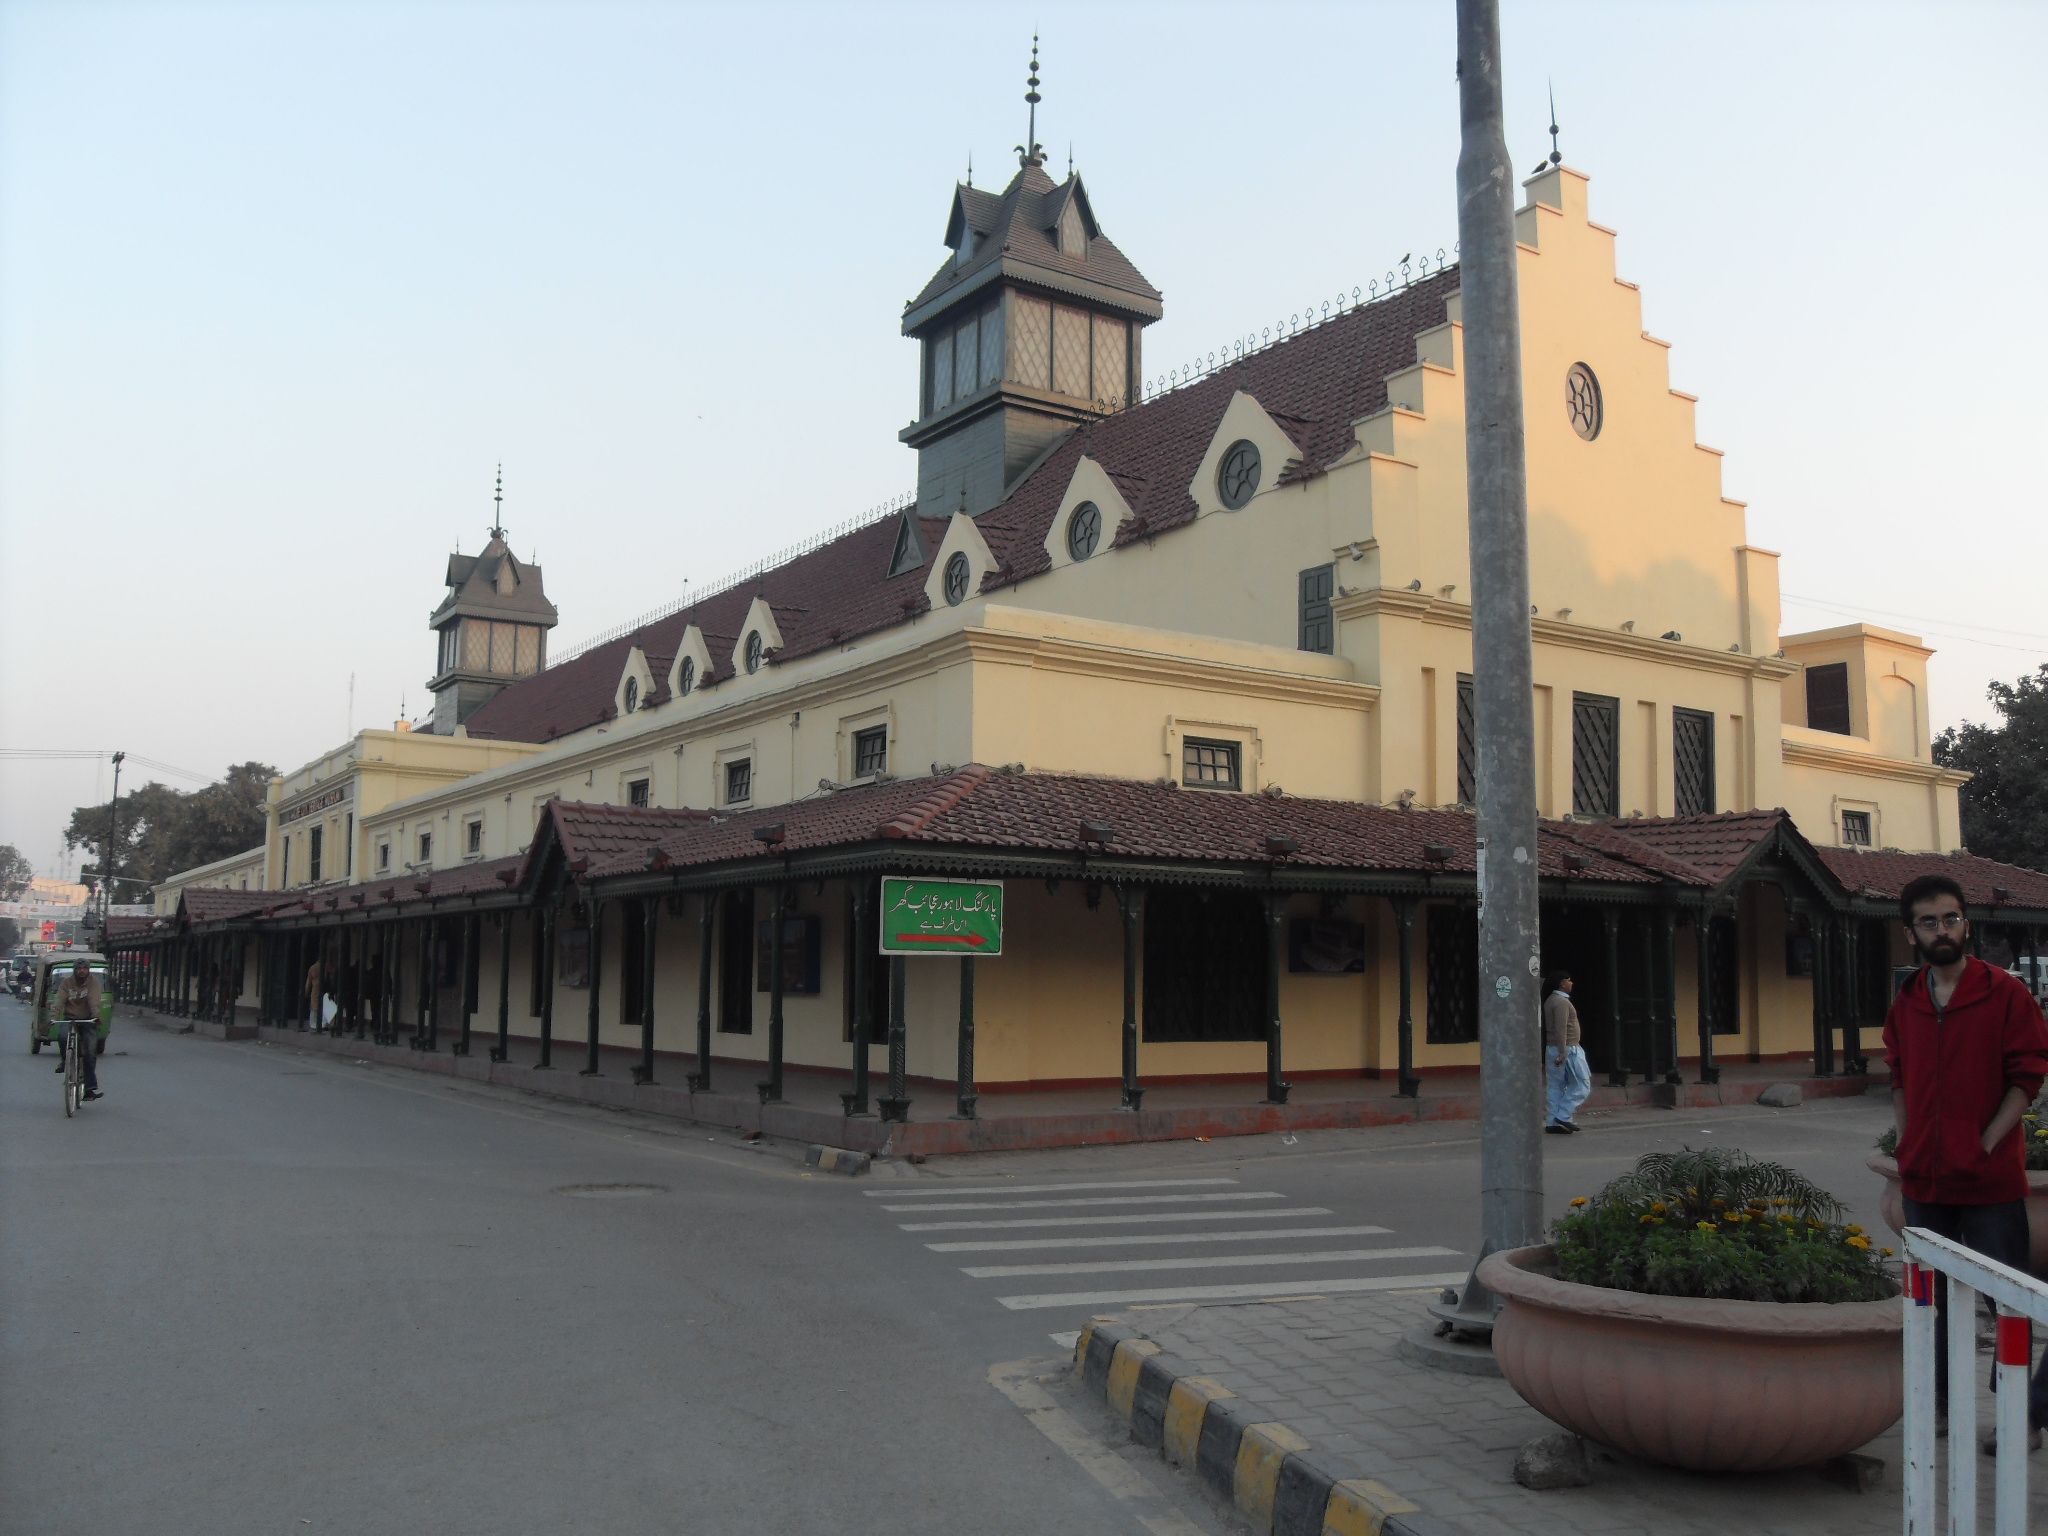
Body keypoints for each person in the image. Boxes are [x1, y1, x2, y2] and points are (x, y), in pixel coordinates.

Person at [1882, 872, 2048, 1455]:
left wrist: (1985, 1144)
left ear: (1966, 924)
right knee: (1932, 1302)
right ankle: (1942, 1408)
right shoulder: (1907, 1000)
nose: (1942, 929)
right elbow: (1899, 1077)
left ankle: (2018, 1418)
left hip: (1990, 1182)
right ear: (1912, 934)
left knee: (2006, 1302)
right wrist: (1906, 1145)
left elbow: (2027, 1076)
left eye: (1951, 918)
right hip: (1926, 1180)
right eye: (1929, 921)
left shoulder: (2004, 993)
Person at [1543, 972, 1591, 1134]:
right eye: (1569, 981)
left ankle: (1552, 1121)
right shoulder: (1562, 1002)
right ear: (1562, 983)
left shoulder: (1550, 1000)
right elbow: (1561, 1028)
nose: (1572, 983)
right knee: (1582, 1084)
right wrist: (1563, 1052)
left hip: (1552, 1047)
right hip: (1569, 1048)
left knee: (1556, 1086)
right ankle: (1564, 1115)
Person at [50, 960, 104, 1101]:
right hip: (70, 1018)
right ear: (75, 970)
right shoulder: (66, 983)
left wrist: (96, 1016)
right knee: (62, 1037)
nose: (81, 971)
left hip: (88, 1019)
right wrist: (54, 1016)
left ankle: (89, 1089)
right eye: (79, 968)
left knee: (90, 1052)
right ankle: (65, 1061)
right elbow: (59, 1000)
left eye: (84, 968)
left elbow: (94, 1001)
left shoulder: (93, 983)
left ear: (88, 970)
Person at [304, 955, 325, 1033]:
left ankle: (314, 1024)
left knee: (314, 1006)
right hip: (324, 988)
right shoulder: (326, 967)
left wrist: (306, 992)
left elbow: (308, 983)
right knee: (323, 1006)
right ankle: (323, 1023)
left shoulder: (312, 968)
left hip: (315, 988)